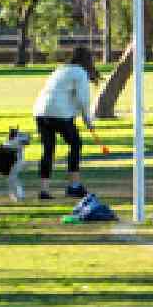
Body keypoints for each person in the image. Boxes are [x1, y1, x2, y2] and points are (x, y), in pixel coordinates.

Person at [32, 45, 100, 200]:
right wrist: (88, 121)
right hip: (59, 113)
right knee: (75, 144)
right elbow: (83, 100)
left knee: (48, 149)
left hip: (40, 112)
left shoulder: (60, 69)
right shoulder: (80, 73)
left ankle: (44, 190)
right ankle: (73, 186)